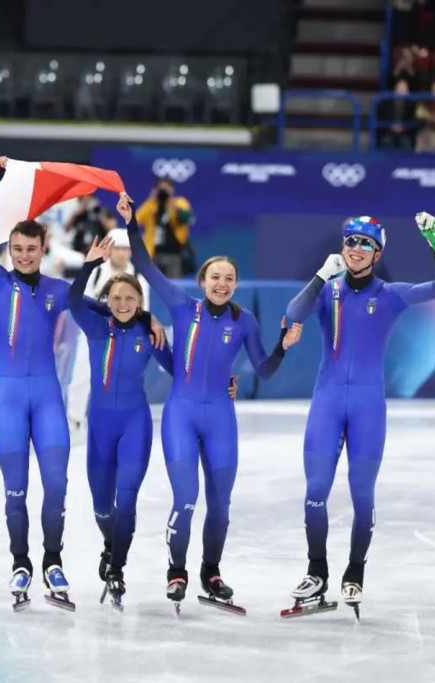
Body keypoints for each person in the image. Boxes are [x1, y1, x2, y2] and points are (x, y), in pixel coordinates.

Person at [0, 157, 164, 611]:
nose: (24, 256)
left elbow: (115, 308)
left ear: (44, 248)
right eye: (17, 249)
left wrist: (148, 317)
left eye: (31, 249)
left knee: (56, 485)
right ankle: (21, 562)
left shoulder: (58, 290)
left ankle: (52, 560)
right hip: (8, 399)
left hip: (47, 399)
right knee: (16, 489)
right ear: (10, 250)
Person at [124, 192, 302, 611]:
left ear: (235, 284)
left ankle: (211, 572)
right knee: (186, 498)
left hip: (221, 417)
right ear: (202, 281)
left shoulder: (245, 321)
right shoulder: (181, 305)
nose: (222, 284)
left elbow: (265, 370)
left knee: (220, 505)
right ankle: (176, 571)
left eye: (229, 279)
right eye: (215, 277)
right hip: (181, 416)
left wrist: (283, 345)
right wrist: (132, 223)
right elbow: (145, 266)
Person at [283, 216, 435, 618]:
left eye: (365, 244)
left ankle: (355, 571)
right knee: (315, 491)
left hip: (368, 408)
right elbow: (293, 312)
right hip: (327, 403)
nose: (356, 249)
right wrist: (320, 276)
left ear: (377, 254)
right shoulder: (329, 290)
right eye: (350, 242)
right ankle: (316, 571)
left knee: (362, 495)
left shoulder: (391, 294)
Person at [67, 233, 173, 609]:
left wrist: (222, 383)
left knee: (126, 499)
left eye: (130, 299)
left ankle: (116, 568)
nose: (123, 304)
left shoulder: (149, 332)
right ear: (106, 302)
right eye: (116, 299)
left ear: (140, 302)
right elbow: (73, 299)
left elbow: (181, 371)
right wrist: (89, 266)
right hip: (99, 427)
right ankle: (111, 544)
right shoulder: (96, 326)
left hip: (134, 425)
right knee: (102, 507)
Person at [66, 228, 150, 430]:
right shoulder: (96, 273)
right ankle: (74, 419)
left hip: (124, 337)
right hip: (93, 333)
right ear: (110, 250)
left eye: (126, 249)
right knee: (81, 376)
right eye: (118, 248)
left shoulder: (139, 278)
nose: (122, 253)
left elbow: (144, 311)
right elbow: (81, 300)